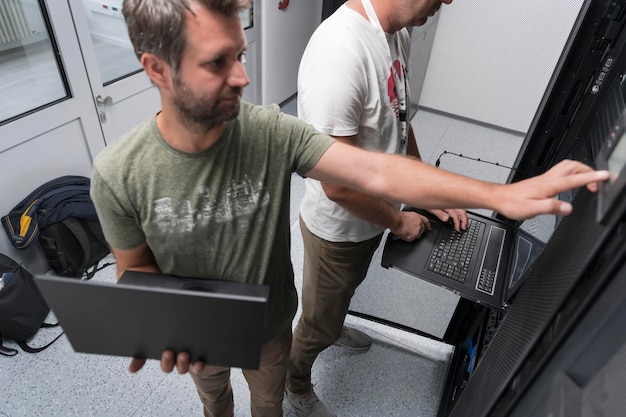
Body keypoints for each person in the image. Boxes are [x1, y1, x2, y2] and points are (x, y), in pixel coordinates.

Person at [89, 0, 608, 416]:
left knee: (267, 404)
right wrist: (159, 326)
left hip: (270, 324)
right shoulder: (119, 175)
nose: (243, 78)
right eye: (217, 63)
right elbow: (134, 271)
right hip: (199, 333)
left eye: (240, 56)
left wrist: (496, 195)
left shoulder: (268, 131)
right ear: (157, 69)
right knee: (214, 401)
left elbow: (374, 170)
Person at [285, 1, 460, 415]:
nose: (447, 3)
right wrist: (400, 221)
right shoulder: (340, 55)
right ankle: (295, 384)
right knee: (315, 320)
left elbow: (398, 120)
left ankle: (332, 322)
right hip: (340, 231)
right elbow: (337, 185)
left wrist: (426, 187)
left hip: (370, 221)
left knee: (340, 295)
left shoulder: (395, 34)